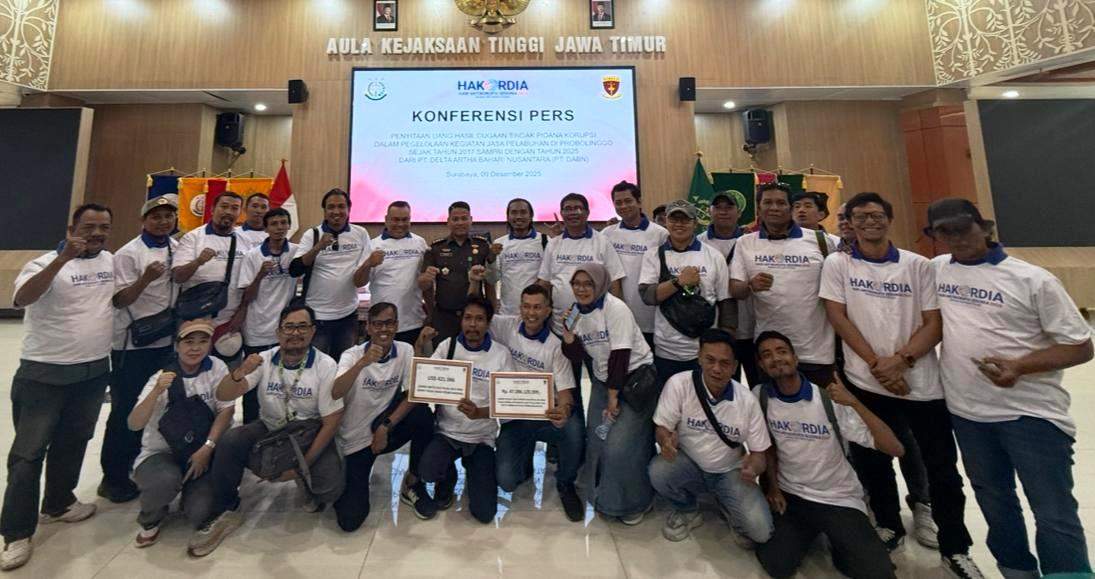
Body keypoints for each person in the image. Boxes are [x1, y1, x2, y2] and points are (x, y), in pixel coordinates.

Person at [928, 197, 1093, 578]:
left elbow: (1081, 346)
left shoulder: (1033, 280)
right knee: (995, 503)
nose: (957, 238)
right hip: (968, 415)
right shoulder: (937, 270)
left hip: (1030, 415)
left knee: (1052, 510)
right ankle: (1016, 571)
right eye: (945, 232)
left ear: (984, 228)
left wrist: (1020, 366)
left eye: (963, 228)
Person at [820, 193, 982, 577]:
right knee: (874, 461)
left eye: (876, 215)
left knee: (941, 468)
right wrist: (877, 366)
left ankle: (955, 546)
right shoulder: (837, 264)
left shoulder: (918, 266)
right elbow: (838, 317)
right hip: (866, 381)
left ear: (889, 219)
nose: (869, 222)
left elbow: (934, 323)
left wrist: (902, 361)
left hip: (920, 385)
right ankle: (889, 524)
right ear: (850, 223)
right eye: (860, 216)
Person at [0, 204, 115, 571]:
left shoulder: (109, 261)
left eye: (104, 227)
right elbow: (23, 298)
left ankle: (58, 503)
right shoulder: (43, 263)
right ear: (71, 229)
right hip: (44, 373)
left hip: (93, 371)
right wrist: (62, 260)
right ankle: (16, 532)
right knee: (28, 454)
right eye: (89, 226)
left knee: (74, 440)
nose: (97, 233)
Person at [189, 303, 345, 557]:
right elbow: (224, 394)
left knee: (329, 488)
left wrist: (302, 466)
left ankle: (303, 479)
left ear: (313, 331)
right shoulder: (263, 359)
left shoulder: (325, 365)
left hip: (307, 432)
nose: (295, 333)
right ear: (278, 332)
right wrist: (240, 372)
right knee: (231, 440)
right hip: (270, 427)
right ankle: (226, 508)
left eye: (302, 327)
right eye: (289, 327)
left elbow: (332, 421)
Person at [752, 331, 903, 579]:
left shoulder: (828, 400)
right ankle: (814, 531)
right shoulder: (761, 396)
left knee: (877, 573)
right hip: (793, 497)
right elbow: (767, 447)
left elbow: (895, 448)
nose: (776, 358)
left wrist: (854, 402)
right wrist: (774, 489)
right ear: (761, 365)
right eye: (767, 355)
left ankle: (837, 538)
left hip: (838, 497)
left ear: (795, 358)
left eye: (782, 351)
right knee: (776, 564)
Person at [649, 329, 772, 546]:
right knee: (659, 470)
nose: (716, 369)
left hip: (730, 472)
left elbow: (759, 454)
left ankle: (728, 504)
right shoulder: (679, 384)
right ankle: (687, 509)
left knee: (761, 532)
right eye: (710, 360)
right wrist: (665, 442)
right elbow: (662, 427)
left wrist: (753, 468)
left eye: (725, 363)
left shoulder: (747, 401)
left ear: (735, 366)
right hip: (690, 464)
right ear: (699, 358)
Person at [560, 264, 657, 525]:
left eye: (588, 284)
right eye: (576, 284)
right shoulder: (576, 312)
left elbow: (620, 355)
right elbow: (577, 356)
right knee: (597, 439)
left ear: (601, 284)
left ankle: (635, 501)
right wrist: (568, 335)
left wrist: (613, 397)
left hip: (634, 382)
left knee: (621, 446)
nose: (581, 289)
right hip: (605, 381)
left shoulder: (616, 309)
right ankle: (603, 495)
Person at [126, 319, 235, 548]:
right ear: (177, 345)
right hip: (162, 453)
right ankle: (151, 518)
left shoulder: (217, 368)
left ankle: (190, 493)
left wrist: (207, 447)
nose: (195, 348)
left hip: (202, 451)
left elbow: (226, 410)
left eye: (202, 341)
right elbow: (134, 424)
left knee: (200, 512)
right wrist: (157, 391)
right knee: (164, 481)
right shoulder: (162, 377)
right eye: (188, 342)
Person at [98, 196, 178, 504]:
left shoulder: (175, 247)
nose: (163, 222)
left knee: (155, 406)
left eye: (168, 216)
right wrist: (146, 278)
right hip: (131, 346)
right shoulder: (128, 253)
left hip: (164, 341)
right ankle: (113, 477)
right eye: (156, 217)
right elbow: (119, 300)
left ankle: (138, 463)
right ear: (143, 220)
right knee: (125, 410)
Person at [332, 302, 438, 530]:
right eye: (378, 324)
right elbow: (336, 391)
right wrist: (362, 363)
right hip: (355, 440)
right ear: (368, 327)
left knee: (423, 415)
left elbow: (413, 394)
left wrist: (386, 427)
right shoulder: (352, 355)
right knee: (350, 520)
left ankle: (412, 483)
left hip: (384, 429)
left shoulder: (405, 351)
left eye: (389, 323)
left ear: (397, 325)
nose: (384, 329)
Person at [492, 285, 585, 522]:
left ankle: (565, 483)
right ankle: (524, 463)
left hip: (546, 416)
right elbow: (477, 317)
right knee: (507, 481)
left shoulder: (555, 346)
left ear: (547, 311)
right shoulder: (507, 327)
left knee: (573, 428)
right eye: (526, 306)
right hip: (516, 417)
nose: (531, 313)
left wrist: (564, 410)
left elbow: (566, 393)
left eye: (537, 307)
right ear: (520, 307)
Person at [729, 182, 836, 386]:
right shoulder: (745, 242)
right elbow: (735, 289)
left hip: (816, 351)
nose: (774, 208)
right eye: (768, 202)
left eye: (781, 203)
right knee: (771, 405)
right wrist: (750, 285)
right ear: (759, 208)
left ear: (790, 207)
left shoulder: (820, 241)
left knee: (822, 405)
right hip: (770, 353)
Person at [419, 297, 514, 524]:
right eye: (468, 318)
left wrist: (479, 413)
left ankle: (474, 471)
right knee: (427, 471)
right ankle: (448, 476)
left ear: (488, 323)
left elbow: (507, 403)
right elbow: (424, 381)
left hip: (481, 438)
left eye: (479, 319)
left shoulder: (501, 354)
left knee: (484, 513)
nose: (473, 324)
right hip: (447, 432)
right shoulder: (448, 346)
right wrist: (421, 346)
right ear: (461, 321)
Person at [639, 200, 731, 383]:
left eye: (685, 219)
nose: (679, 224)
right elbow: (648, 296)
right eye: (674, 219)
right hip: (666, 350)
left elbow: (726, 301)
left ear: (695, 223)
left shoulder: (714, 256)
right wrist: (679, 281)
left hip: (704, 349)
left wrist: (726, 342)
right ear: (666, 222)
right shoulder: (653, 255)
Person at [290, 188, 377, 360]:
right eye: (331, 207)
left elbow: (361, 280)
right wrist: (318, 247)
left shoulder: (360, 234)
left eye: (341, 206)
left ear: (349, 209)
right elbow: (294, 270)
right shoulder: (312, 234)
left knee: (344, 364)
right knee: (315, 365)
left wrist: (369, 263)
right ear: (324, 211)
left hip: (348, 315)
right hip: (317, 316)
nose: (336, 212)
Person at [238, 207, 299, 423]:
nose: (279, 228)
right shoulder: (252, 256)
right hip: (257, 330)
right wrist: (260, 275)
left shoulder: (296, 252)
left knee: (284, 383)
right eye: (274, 224)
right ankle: (250, 429)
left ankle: (282, 428)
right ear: (266, 228)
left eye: (283, 223)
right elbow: (246, 296)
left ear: (289, 226)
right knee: (252, 386)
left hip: (285, 332)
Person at [173, 192, 249, 361]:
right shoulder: (193, 238)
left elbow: (249, 283)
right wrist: (198, 261)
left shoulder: (245, 241)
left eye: (234, 208)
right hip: (195, 321)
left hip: (229, 324)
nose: (228, 212)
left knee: (228, 371)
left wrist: (241, 313)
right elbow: (178, 277)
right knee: (192, 369)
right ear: (212, 209)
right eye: (224, 206)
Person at [538, 193, 626, 334]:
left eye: (578, 208)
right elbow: (545, 282)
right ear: (562, 213)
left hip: (595, 329)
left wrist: (613, 317)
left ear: (587, 212)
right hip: (560, 327)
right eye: (568, 209)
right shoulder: (553, 244)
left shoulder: (602, 242)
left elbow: (614, 282)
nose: (573, 212)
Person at [601, 181, 668, 349]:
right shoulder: (607, 234)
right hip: (618, 316)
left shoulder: (660, 234)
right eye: (618, 202)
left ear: (639, 202)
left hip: (652, 318)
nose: (623, 206)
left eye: (628, 201)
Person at [419, 201, 492, 346]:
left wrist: (491, 313)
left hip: (474, 318)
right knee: (444, 357)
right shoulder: (436, 248)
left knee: (474, 355)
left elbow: (490, 284)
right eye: (455, 219)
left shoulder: (483, 246)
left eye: (464, 218)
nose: (460, 223)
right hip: (444, 317)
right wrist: (431, 313)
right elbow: (423, 285)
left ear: (471, 220)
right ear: (448, 221)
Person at [369, 201, 428, 345]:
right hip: (382, 325)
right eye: (395, 219)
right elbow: (359, 282)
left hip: (413, 322)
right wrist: (367, 264)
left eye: (404, 219)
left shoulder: (420, 243)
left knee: (412, 359)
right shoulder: (372, 245)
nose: (400, 224)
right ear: (386, 219)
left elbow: (426, 282)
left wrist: (431, 314)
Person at [489, 198, 548, 323]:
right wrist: (491, 259)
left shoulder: (545, 241)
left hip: (537, 314)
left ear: (531, 216)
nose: (519, 216)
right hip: (508, 314)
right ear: (508, 216)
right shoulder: (499, 243)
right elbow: (493, 279)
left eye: (523, 212)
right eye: (514, 213)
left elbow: (549, 277)